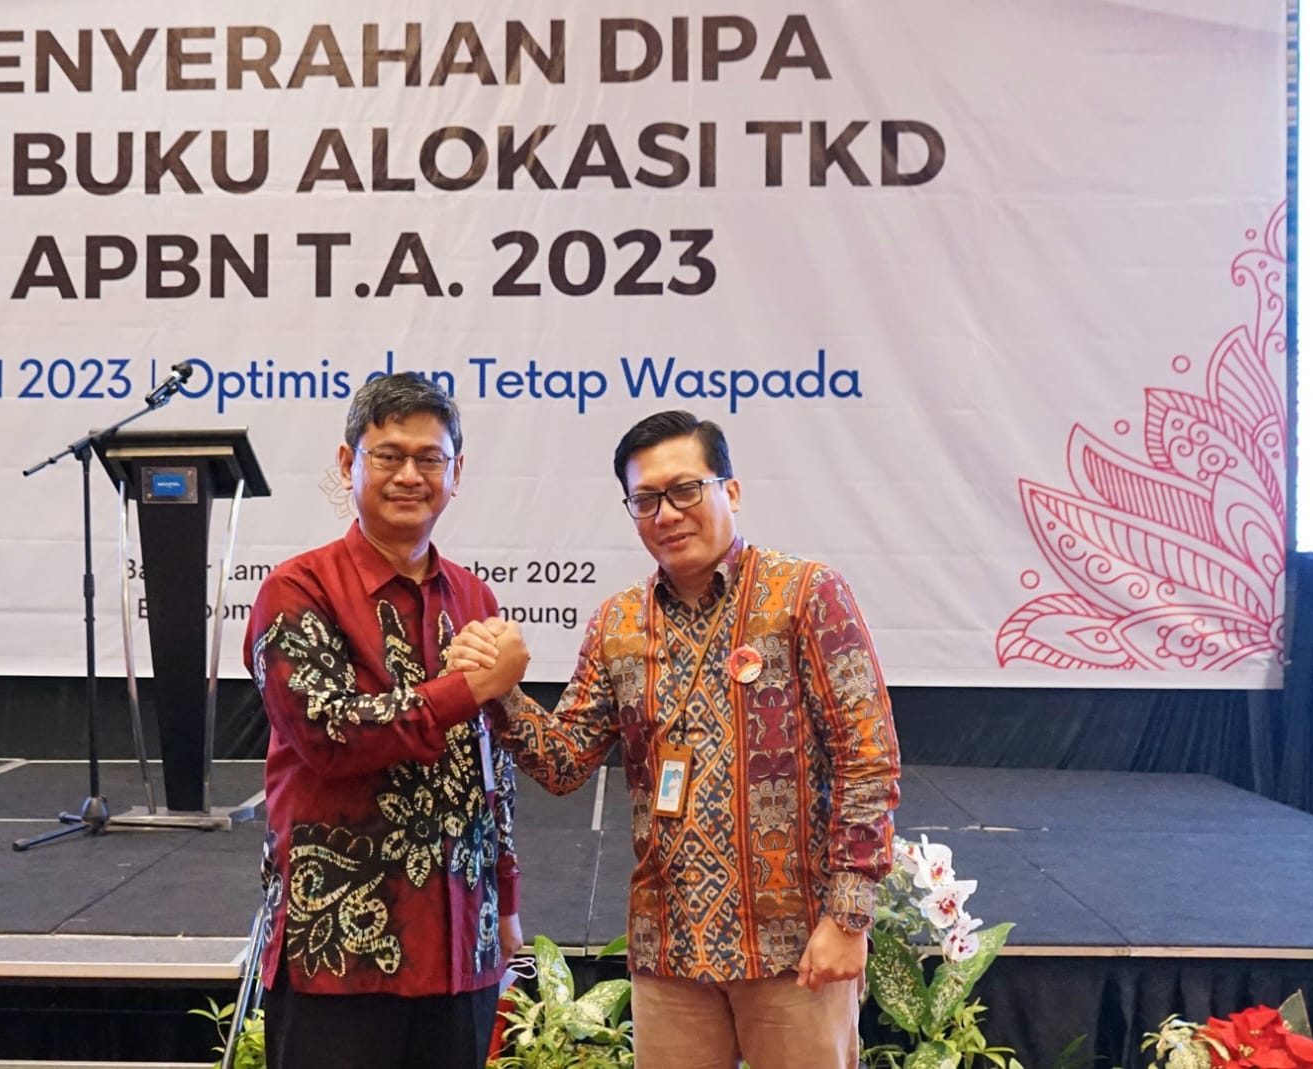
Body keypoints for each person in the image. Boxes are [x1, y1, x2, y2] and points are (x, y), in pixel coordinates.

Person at [447, 409, 901, 1069]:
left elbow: (869, 759)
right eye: (646, 499)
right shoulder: (618, 623)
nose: (667, 514)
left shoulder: (806, 595)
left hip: (795, 946)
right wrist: (499, 689)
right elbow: (565, 761)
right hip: (670, 952)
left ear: (731, 491)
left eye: (686, 489)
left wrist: (848, 917)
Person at [244, 372, 528, 1069]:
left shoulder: (473, 596)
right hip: (339, 952)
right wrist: (468, 688)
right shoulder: (298, 589)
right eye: (389, 455)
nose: (409, 475)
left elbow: (490, 765)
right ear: (350, 463)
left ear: (456, 472)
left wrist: (507, 899)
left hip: (462, 944)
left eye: (429, 458)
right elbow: (329, 734)